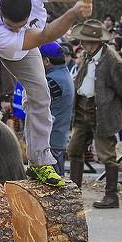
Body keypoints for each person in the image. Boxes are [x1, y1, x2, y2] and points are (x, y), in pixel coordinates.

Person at [0, 0, 96, 186]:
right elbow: (43, 36)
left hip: (25, 46)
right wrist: (73, 15)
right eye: (11, 26)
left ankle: (40, 161)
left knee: (40, 92)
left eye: (21, 25)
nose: (16, 29)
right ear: (1, 15)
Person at [67, 20, 122, 209]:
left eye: (86, 41)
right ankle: (74, 193)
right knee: (74, 149)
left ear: (96, 42)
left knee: (106, 154)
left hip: (102, 113)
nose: (82, 44)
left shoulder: (113, 62)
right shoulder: (87, 57)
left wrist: (117, 112)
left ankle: (111, 195)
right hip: (82, 109)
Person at [40, 41, 74, 177]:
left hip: (51, 140)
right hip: (57, 137)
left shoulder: (51, 80)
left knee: (53, 185)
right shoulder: (63, 74)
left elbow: (36, 104)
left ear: (47, 61)